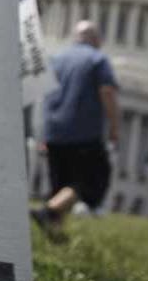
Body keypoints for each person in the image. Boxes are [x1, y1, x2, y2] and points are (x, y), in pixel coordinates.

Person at [33, 20, 120, 237]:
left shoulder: (57, 59)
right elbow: (107, 92)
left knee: (60, 185)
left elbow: (44, 95)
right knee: (92, 181)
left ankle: (55, 235)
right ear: (96, 39)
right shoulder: (97, 59)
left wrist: (44, 132)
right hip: (84, 133)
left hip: (54, 131)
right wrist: (114, 128)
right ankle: (48, 211)